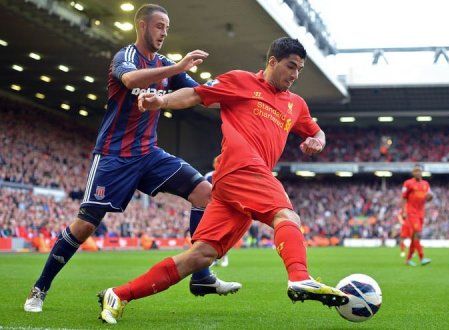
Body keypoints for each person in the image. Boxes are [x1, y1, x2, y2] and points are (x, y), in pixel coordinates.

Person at [97, 37, 350, 324]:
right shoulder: (240, 82)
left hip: (238, 187)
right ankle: (300, 278)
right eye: (290, 66)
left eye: (299, 70)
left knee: (200, 256)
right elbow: (195, 95)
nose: (294, 75)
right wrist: (162, 101)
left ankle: (118, 294)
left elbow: (316, 132)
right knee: (286, 214)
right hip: (240, 169)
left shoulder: (296, 105)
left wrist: (317, 140)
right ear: (272, 62)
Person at [24, 3, 240, 313]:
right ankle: (39, 288)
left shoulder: (164, 64)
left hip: (149, 154)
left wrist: (241, 97)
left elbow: (200, 94)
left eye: (167, 27)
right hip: (114, 156)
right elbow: (130, 80)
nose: (164, 32)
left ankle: (201, 276)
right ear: (142, 26)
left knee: (205, 192)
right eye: (159, 26)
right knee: (85, 226)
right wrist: (177, 68)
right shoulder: (125, 58)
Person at [401, 165, 433, 266]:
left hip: (421, 213)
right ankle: (421, 257)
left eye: (419, 171)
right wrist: (404, 211)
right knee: (417, 233)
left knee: (415, 236)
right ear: (413, 173)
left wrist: (430, 197)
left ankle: (408, 259)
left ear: (421, 172)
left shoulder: (425, 184)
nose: (417, 173)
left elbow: (427, 198)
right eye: (415, 171)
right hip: (411, 212)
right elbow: (403, 198)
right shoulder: (408, 183)